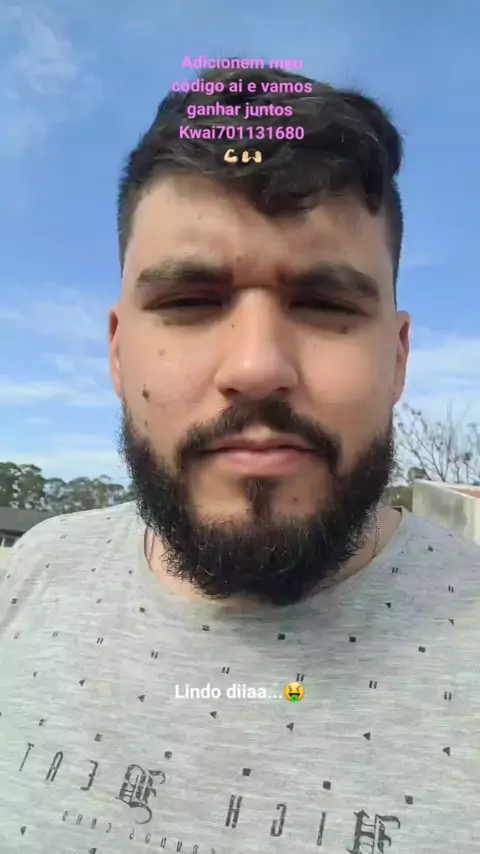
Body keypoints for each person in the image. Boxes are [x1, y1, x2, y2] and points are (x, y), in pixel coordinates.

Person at [1, 62, 479, 854]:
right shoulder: (34, 574)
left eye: (325, 304)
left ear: (398, 359)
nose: (256, 368)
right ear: (118, 354)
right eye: (190, 302)